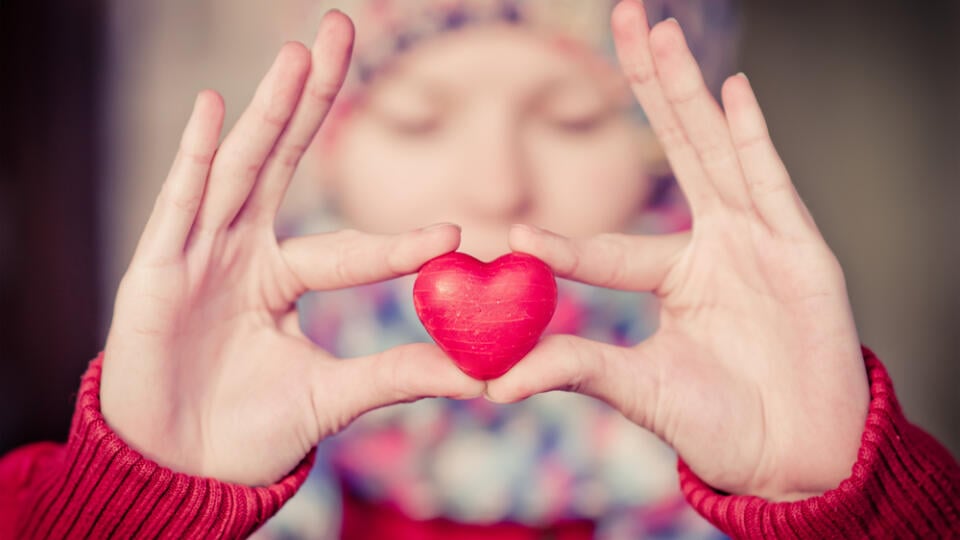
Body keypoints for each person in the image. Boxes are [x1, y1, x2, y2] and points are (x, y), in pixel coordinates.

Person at [1, 2, 958, 539]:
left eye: (574, 118)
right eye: (420, 117)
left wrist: (841, 505)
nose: (498, 180)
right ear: (326, 142)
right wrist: (141, 501)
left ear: (662, 144)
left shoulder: (767, 416)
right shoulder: (215, 401)